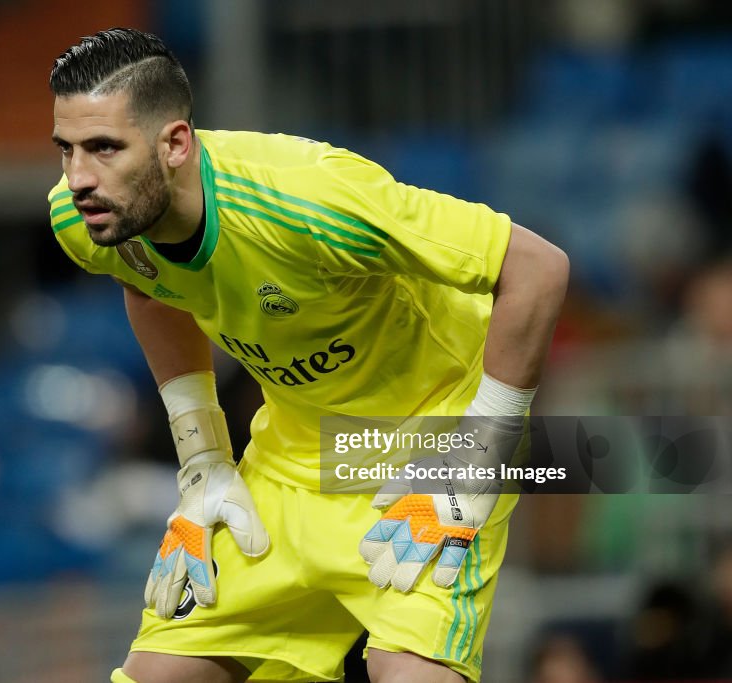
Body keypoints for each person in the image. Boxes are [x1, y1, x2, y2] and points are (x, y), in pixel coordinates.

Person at [48, 28, 569, 683]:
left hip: (432, 441)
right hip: (293, 456)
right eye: (65, 150)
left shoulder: (311, 201)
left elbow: (538, 269)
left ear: (175, 143)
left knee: (410, 674)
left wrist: (477, 457)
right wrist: (204, 455)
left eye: (103, 149)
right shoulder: (89, 219)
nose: (78, 178)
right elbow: (152, 285)